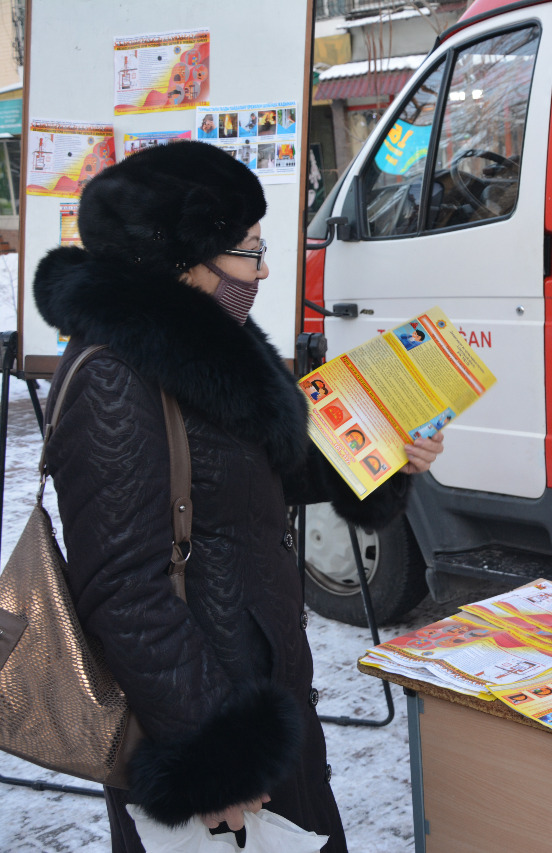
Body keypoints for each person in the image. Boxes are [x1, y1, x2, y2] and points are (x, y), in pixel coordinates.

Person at [33, 141, 445, 853]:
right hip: (206, 725)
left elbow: (273, 474)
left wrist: (386, 455)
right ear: (183, 256)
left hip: (264, 692)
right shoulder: (114, 375)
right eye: (248, 250)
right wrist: (215, 760)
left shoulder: (215, 338)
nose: (260, 270)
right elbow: (122, 593)